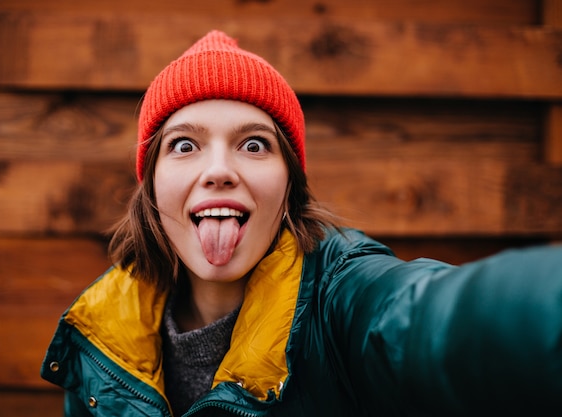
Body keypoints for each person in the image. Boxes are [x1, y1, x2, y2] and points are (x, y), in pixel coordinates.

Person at [41, 30, 562, 417]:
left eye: (253, 144)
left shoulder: (340, 298)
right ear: (151, 186)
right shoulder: (102, 332)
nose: (219, 170)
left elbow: (430, 319)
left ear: (289, 183)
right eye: (184, 145)